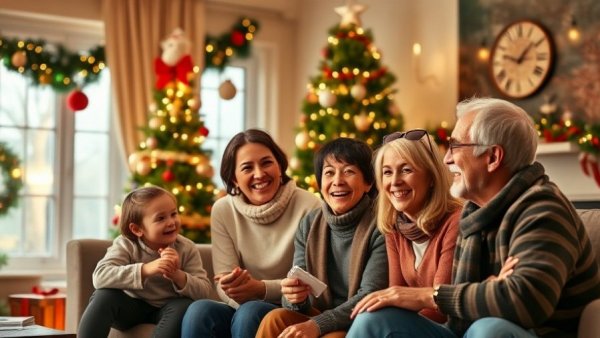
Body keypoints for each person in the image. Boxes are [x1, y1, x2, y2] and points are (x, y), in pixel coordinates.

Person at [346, 97, 600, 338]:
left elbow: (525, 301)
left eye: (455, 146)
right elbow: (463, 313)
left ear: (492, 157)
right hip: (466, 331)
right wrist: (491, 290)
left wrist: (427, 295)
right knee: (374, 318)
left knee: (489, 329)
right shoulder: (475, 212)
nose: (446, 159)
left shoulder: (543, 209)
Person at [181, 129, 321, 338]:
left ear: (280, 166)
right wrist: (234, 290)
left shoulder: (309, 205)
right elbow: (223, 281)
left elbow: (310, 281)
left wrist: (260, 289)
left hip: (292, 308)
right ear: (234, 179)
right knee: (199, 311)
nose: (259, 174)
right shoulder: (223, 210)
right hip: (243, 305)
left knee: (251, 311)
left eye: (266, 163)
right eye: (247, 168)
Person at [256, 137, 389, 338]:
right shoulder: (309, 224)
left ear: (368, 183)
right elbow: (296, 291)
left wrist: (318, 325)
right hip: (318, 314)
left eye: (349, 171)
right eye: (329, 173)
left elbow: (369, 296)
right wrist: (295, 297)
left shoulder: (380, 225)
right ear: (320, 183)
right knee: (275, 319)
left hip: (358, 321)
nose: (337, 181)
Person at [347, 129, 462, 333]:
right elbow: (395, 293)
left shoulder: (455, 221)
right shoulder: (394, 227)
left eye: (406, 170)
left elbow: (442, 306)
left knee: (371, 320)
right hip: (412, 327)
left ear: (432, 177)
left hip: (450, 329)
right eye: (387, 172)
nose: (395, 182)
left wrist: (394, 317)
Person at [78, 186, 212, 338]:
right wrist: (146, 269)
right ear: (137, 229)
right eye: (161, 218)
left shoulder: (186, 247)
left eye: (173, 214)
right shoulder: (126, 244)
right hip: (131, 307)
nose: (171, 222)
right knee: (105, 295)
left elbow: (204, 291)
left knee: (184, 306)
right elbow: (100, 276)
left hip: (169, 308)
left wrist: (177, 275)